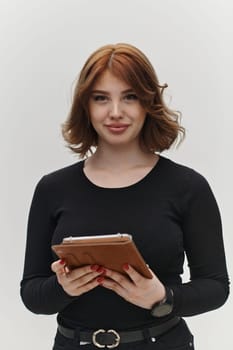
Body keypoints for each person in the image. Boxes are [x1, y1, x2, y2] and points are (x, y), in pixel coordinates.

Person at [20, 43, 229, 350]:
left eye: (130, 97)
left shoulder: (188, 187)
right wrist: (62, 287)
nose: (115, 112)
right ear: (85, 106)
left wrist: (163, 297)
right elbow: (32, 294)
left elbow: (215, 287)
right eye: (101, 98)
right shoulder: (52, 189)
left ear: (148, 102)